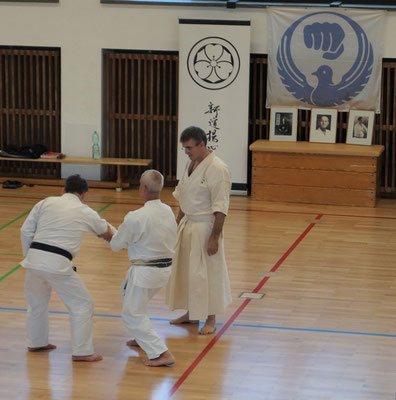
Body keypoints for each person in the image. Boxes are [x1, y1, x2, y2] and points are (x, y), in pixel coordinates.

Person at [20, 174, 112, 362]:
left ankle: (36, 342)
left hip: (33, 259)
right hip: (58, 263)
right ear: (84, 194)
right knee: (82, 304)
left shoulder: (45, 202)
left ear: (63, 190)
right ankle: (82, 351)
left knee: (37, 303)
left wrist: (30, 255)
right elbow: (106, 232)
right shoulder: (84, 210)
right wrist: (123, 241)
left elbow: (25, 230)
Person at [104, 170, 177, 367]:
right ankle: (141, 335)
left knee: (131, 313)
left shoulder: (135, 217)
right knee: (127, 293)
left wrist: (107, 234)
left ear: (142, 189)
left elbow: (117, 244)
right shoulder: (169, 210)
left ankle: (161, 352)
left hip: (145, 272)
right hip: (164, 271)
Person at [165, 126, 232, 335]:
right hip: (188, 224)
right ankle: (191, 314)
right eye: (184, 148)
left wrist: (215, 237)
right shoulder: (190, 164)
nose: (187, 152)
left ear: (202, 144)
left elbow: (221, 207)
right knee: (187, 271)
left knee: (206, 273)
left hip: (206, 227)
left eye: (189, 148)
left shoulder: (218, 168)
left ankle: (211, 319)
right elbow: (183, 197)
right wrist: (176, 224)